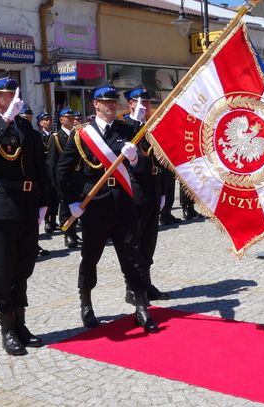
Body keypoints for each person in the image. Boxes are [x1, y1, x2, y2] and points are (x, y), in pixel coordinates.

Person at [56, 83, 158, 333]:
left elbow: (145, 165)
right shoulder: (82, 134)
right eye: (106, 102)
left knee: (133, 255)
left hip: (123, 201)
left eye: (114, 102)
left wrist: (135, 158)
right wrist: (71, 202)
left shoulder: (128, 130)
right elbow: (62, 171)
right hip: (95, 203)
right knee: (91, 256)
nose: (112, 106)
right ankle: (86, 303)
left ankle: (142, 308)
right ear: (95, 105)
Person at [0, 74, 49, 356]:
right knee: (4, 270)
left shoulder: (24, 126)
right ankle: (7, 327)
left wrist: (44, 202)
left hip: (28, 203)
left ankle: (21, 323)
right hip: (3, 203)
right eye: (9, 94)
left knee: (24, 266)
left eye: (17, 93)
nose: (16, 98)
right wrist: (4, 120)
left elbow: (38, 164)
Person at [122, 85, 170, 304]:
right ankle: (132, 288)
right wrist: (136, 123)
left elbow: (158, 160)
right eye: (141, 102)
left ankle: (146, 283)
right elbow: (126, 154)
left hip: (152, 188)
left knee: (149, 241)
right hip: (134, 190)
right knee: (134, 242)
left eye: (148, 102)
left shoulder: (151, 128)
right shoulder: (124, 127)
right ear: (130, 104)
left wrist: (162, 191)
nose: (146, 106)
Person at [48, 107, 83, 248]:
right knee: (65, 206)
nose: (71, 119)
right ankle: (67, 233)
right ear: (61, 119)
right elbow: (52, 162)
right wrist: (55, 182)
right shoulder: (56, 137)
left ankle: (74, 231)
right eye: (67, 117)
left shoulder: (78, 135)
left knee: (78, 204)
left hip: (78, 175)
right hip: (64, 177)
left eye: (72, 117)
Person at [18, 105, 50, 257]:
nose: (27, 120)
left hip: (33, 183)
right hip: (17, 185)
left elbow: (40, 163)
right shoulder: (14, 134)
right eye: (25, 117)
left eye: (29, 117)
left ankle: (33, 244)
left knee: (34, 218)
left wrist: (42, 185)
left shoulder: (35, 136)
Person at [37, 110, 59, 233]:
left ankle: (53, 218)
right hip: (44, 169)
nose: (48, 122)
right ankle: (46, 221)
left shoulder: (54, 135)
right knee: (45, 195)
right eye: (45, 120)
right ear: (40, 123)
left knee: (55, 195)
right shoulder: (38, 135)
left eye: (50, 119)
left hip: (54, 168)